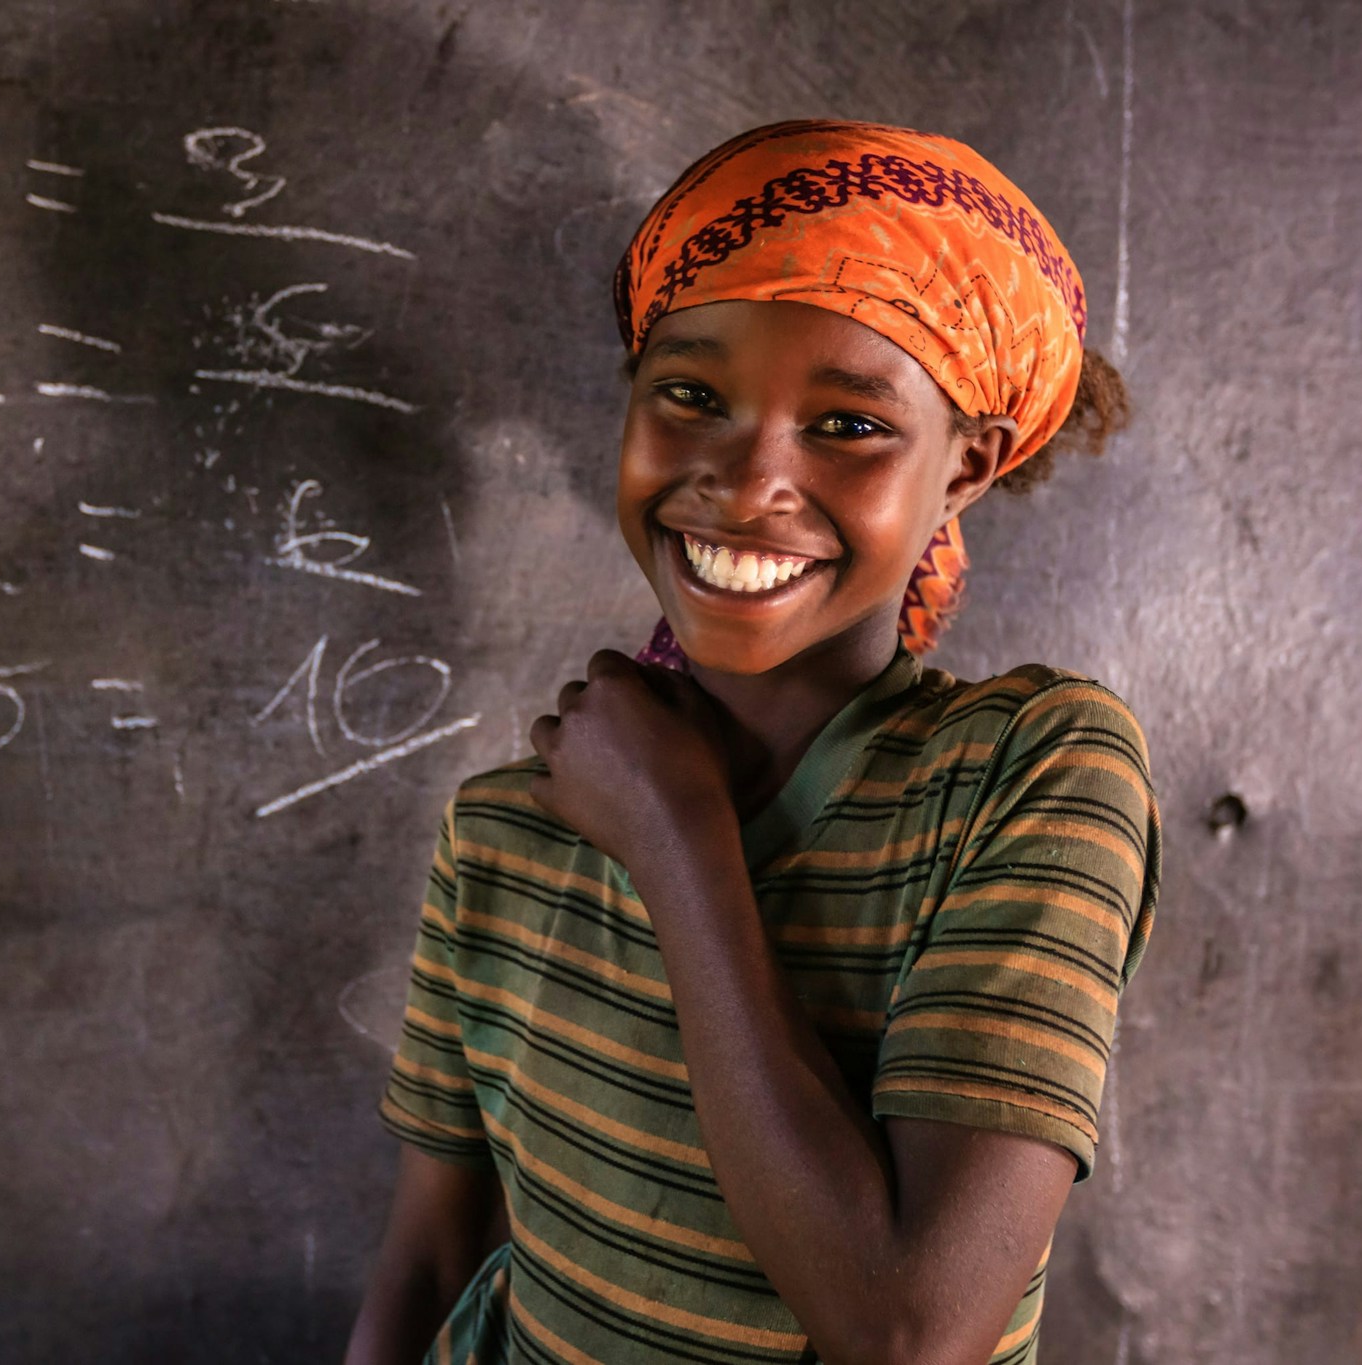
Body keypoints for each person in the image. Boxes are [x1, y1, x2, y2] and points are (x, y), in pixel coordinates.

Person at [345, 119, 1161, 1365]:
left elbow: (904, 1329)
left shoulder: (1031, 774)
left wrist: (677, 842)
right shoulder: (505, 829)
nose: (744, 480)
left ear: (965, 472)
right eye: (690, 396)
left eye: (848, 426)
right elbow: (430, 1260)